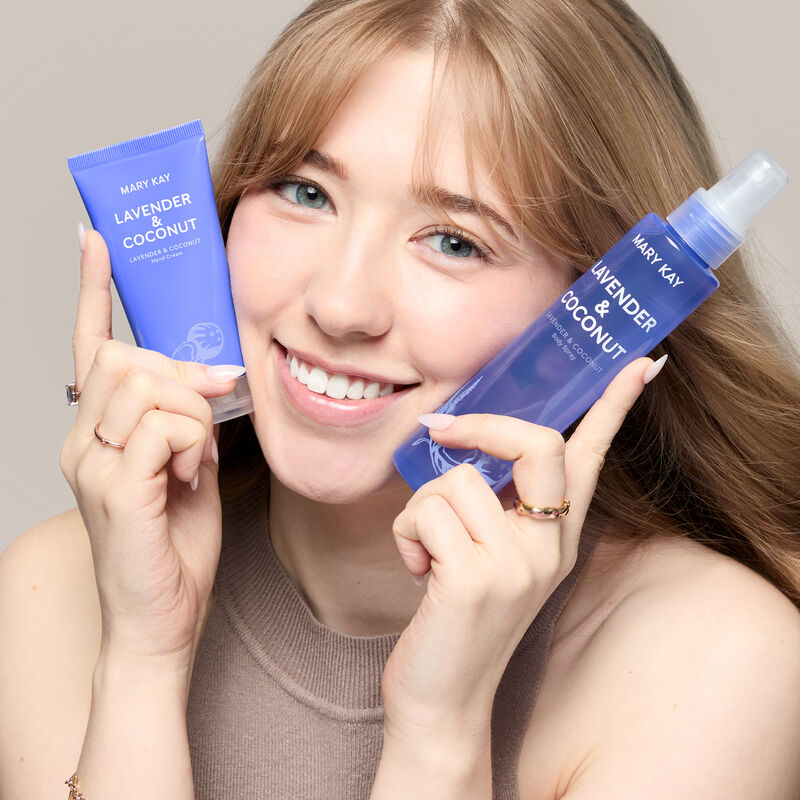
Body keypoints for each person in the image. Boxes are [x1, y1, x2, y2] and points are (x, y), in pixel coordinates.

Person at [2, 0, 799, 797]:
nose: (341, 305)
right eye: (305, 192)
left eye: (455, 241)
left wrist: (439, 734)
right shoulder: (54, 591)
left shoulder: (714, 659)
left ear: (599, 307)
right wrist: (142, 665)